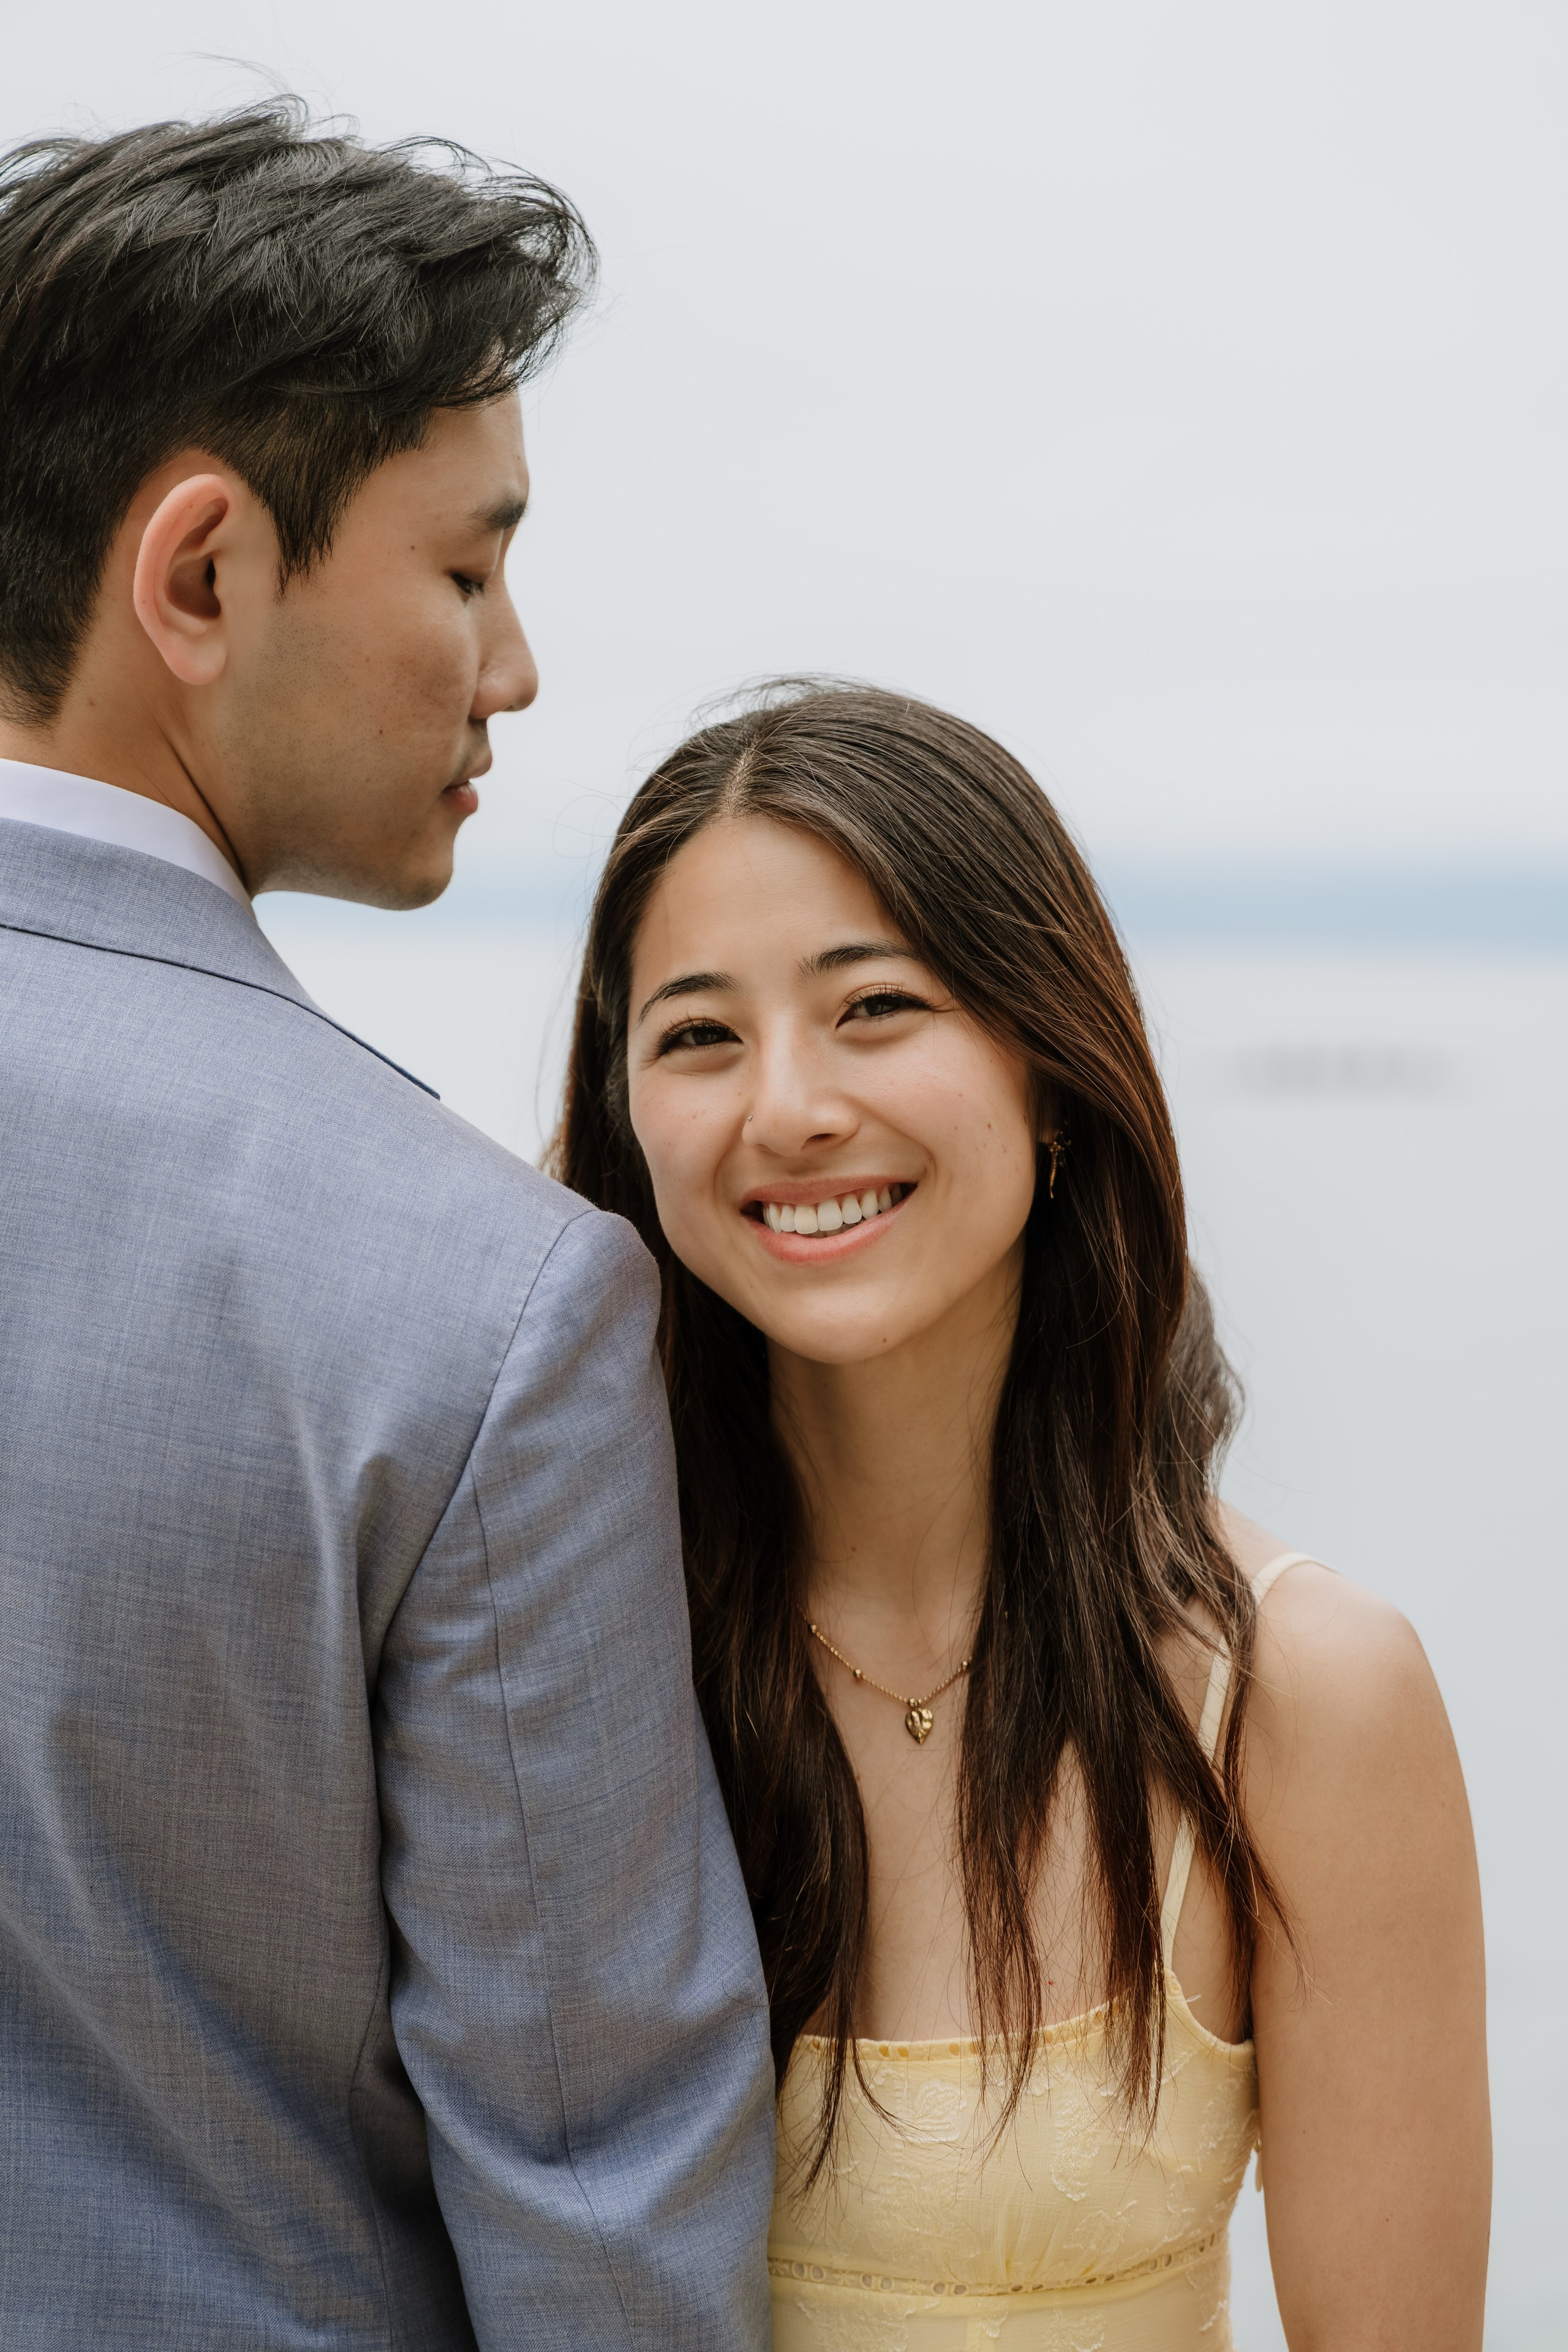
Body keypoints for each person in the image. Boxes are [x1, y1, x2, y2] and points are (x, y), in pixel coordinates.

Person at [0, 107, 774, 2349]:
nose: (512, 669)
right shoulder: (485, 1301)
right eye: (466, 567)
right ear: (204, 574)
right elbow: (602, 2214)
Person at [552, 682, 1492, 2351]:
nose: (786, 1107)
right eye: (697, 1034)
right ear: (627, 1123)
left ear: (1053, 1071)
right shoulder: (553, 1651)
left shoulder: (1302, 1699)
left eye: (876, 1006)